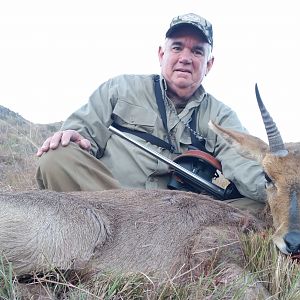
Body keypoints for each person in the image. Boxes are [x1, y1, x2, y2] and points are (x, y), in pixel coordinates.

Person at [36, 13, 266, 212]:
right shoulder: (120, 88)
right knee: (57, 157)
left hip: (181, 215)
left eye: (197, 51)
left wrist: (278, 187)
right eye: (177, 47)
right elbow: (83, 131)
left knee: (266, 204)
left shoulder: (222, 116)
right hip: (109, 202)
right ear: (161, 54)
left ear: (209, 64)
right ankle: (117, 228)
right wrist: (73, 135)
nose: (185, 58)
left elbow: (243, 166)